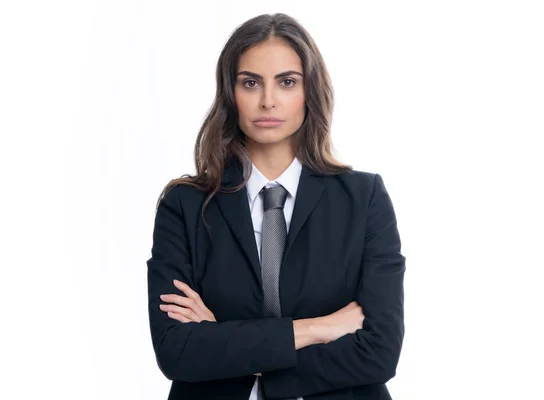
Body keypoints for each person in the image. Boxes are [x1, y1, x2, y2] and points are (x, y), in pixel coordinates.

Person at [146, 13, 406, 400]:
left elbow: (380, 352)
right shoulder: (184, 205)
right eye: (250, 83)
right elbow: (177, 351)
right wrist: (318, 328)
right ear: (230, 93)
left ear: (309, 91)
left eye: (287, 82)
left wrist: (227, 346)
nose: (268, 100)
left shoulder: (363, 198)